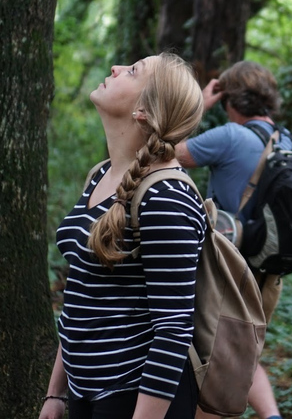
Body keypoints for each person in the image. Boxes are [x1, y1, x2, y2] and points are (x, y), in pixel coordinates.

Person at [40, 53, 207, 419]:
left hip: (135, 397)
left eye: (132, 71)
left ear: (144, 110)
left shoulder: (166, 197)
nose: (115, 68)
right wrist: (57, 394)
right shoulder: (102, 175)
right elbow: (81, 295)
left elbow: (172, 331)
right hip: (86, 393)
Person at [176, 61, 290, 419]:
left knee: (212, 360)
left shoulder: (228, 136)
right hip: (268, 276)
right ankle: (272, 416)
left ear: (230, 99)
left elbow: (163, 152)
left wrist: (200, 104)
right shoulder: (289, 142)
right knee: (245, 351)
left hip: (225, 274)